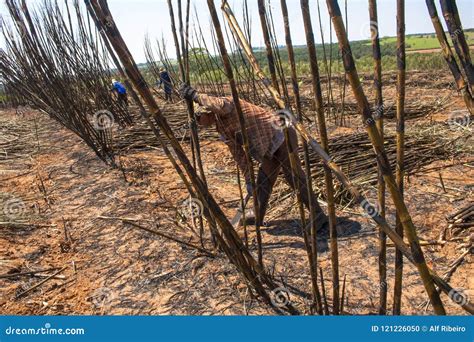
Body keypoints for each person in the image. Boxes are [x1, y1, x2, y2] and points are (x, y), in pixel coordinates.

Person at [179, 83, 329, 230]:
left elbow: (217, 104)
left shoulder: (227, 105)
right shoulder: (222, 131)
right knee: (262, 182)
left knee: (293, 176)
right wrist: (249, 180)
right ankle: (258, 216)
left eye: (198, 118)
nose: (199, 123)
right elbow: (240, 156)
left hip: (280, 133)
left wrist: (195, 95)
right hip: (268, 148)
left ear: (206, 111)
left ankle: (318, 215)